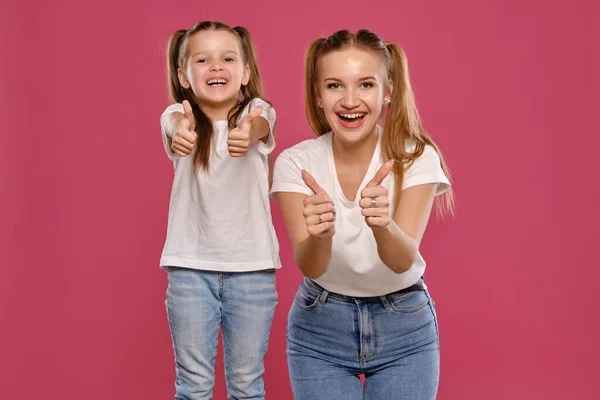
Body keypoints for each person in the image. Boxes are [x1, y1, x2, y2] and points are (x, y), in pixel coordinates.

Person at [271, 29, 454, 400]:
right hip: (319, 329)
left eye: (366, 84)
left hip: (404, 327)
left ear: (386, 91)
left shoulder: (416, 157)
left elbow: (402, 260)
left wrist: (383, 226)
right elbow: (310, 265)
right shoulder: (295, 163)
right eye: (335, 85)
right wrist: (321, 234)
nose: (350, 100)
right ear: (318, 96)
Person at [159, 21, 279, 400]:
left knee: (247, 385)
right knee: (193, 386)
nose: (216, 67)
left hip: (253, 271)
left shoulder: (255, 112)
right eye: (202, 60)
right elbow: (173, 123)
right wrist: (182, 129)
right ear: (183, 76)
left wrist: (250, 131)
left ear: (245, 72)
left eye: (227, 58)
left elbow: (263, 122)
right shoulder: (178, 118)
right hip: (190, 270)